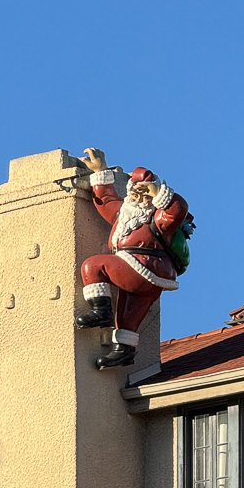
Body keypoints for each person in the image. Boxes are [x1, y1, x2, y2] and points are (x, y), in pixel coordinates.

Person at [77, 147, 190, 370]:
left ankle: (102, 311)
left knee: (93, 266)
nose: (138, 197)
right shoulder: (125, 211)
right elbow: (107, 200)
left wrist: (159, 193)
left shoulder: (158, 217)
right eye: (135, 192)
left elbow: (177, 211)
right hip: (151, 279)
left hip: (143, 264)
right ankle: (124, 351)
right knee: (129, 312)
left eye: (144, 192)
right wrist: (100, 171)